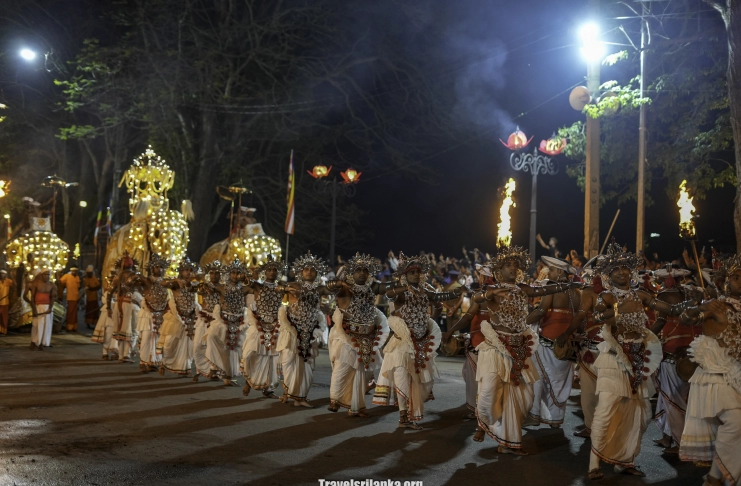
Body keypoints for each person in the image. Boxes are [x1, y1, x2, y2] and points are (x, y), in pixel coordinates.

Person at [587, 243, 696, 479]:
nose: (622, 272)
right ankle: (594, 464)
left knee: (640, 415)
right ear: (608, 274)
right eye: (616, 269)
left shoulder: (642, 295)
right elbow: (596, 316)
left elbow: (671, 310)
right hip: (614, 358)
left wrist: (693, 303)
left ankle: (626, 460)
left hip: (640, 357)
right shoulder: (605, 296)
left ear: (631, 272)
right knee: (606, 410)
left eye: (625, 268)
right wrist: (618, 310)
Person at [473, 246, 578, 454]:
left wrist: (564, 285)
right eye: (507, 265)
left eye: (515, 265)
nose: (512, 268)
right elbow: (477, 298)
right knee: (489, 391)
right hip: (496, 346)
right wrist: (492, 291)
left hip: (520, 345)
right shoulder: (491, 291)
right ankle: (483, 423)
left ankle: (508, 442)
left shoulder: (523, 288)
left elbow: (543, 291)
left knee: (524, 397)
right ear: (498, 270)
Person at [372, 252, 461, 430]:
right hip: (402, 342)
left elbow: (437, 303)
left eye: (417, 272)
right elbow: (388, 293)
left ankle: (409, 412)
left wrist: (434, 313)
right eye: (411, 272)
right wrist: (404, 289)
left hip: (422, 341)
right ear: (404, 274)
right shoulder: (400, 289)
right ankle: (404, 417)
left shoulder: (426, 288)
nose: (415, 275)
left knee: (424, 383)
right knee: (403, 377)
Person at [679, 255, 741, 486]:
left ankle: (714, 478)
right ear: (724, 281)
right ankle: (719, 477)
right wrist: (701, 306)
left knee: (734, 430)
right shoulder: (717, 306)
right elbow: (686, 318)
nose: (740, 281)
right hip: (716, 375)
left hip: (737, 373)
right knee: (736, 423)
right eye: (735, 277)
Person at [326, 253, 390, 417]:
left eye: (365, 270)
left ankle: (356, 407)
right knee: (342, 369)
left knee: (362, 374)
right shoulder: (343, 288)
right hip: (345, 336)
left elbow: (387, 288)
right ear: (351, 273)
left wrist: (405, 284)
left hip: (366, 337)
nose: (362, 273)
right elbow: (327, 287)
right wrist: (341, 281)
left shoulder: (372, 287)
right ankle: (334, 400)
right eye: (358, 270)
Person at [524, 256, 581, 429]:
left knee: (539, 377)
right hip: (566, 344)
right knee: (559, 382)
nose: (549, 272)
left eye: (552, 270)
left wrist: (523, 321)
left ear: (559, 272)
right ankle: (555, 420)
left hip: (549, 341)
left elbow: (541, 311)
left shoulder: (551, 287)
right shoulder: (576, 293)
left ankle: (535, 415)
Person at [650, 267, 699, 454]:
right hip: (688, 352)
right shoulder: (689, 294)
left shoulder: (662, 296)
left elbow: (660, 322)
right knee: (672, 398)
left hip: (671, 353)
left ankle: (681, 444)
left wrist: (644, 337)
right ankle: (667, 437)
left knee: (672, 401)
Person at [277, 252, 330, 407]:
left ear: (317, 273)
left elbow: (334, 292)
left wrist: (329, 302)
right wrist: (283, 288)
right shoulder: (293, 286)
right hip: (292, 330)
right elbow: (278, 289)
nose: (308, 271)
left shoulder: (320, 289)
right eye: (305, 269)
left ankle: (301, 397)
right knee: (288, 363)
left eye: (312, 269)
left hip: (309, 332)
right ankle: (289, 391)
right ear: (300, 272)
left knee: (307, 366)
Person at [443, 263, 496, 419]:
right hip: (492, 342)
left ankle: (478, 408)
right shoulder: (500, 292)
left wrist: (451, 331)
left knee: (474, 376)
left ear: (484, 276)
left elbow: (468, 317)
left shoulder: (482, 294)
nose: (478, 277)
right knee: (475, 373)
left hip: (479, 342)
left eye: (479, 274)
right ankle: (486, 406)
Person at [241, 255, 288, 398]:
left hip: (275, 326)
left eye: (275, 270)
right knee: (251, 353)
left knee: (272, 358)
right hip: (259, 325)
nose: (272, 272)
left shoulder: (281, 288)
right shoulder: (258, 286)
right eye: (269, 270)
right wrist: (247, 274)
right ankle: (248, 381)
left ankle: (268, 389)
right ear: (265, 272)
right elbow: (247, 281)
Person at [205, 258, 250, 386]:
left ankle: (229, 377)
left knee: (237, 350)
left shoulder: (245, 289)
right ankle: (215, 368)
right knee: (212, 338)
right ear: (228, 274)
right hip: (223, 321)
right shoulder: (221, 287)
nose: (235, 275)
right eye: (233, 273)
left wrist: (249, 279)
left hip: (239, 322)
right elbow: (206, 287)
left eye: (238, 273)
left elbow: (258, 287)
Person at [157, 257, 199, 376]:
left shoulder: (194, 284)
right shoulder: (176, 283)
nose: (188, 272)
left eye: (190, 270)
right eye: (186, 270)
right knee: (169, 344)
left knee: (188, 346)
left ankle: (184, 368)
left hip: (190, 318)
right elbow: (162, 283)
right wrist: (175, 279)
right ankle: (164, 363)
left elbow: (201, 279)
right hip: (176, 318)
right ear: (181, 271)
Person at [129, 253, 171, 373]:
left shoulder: (166, 282)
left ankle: (153, 362)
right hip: (148, 314)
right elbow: (129, 284)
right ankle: (143, 362)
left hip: (161, 313)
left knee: (157, 338)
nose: (160, 269)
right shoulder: (146, 281)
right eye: (157, 267)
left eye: (162, 267)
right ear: (152, 268)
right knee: (147, 338)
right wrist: (134, 276)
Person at [106, 252, 141, 363]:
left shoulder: (117, 278)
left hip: (118, 305)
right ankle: (126, 355)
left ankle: (121, 355)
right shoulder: (135, 277)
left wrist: (108, 308)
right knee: (132, 331)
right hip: (130, 306)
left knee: (121, 331)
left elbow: (109, 293)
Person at [193, 261, 223, 382]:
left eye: (217, 273)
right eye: (212, 273)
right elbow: (197, 289)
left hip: (217, 319)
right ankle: (199, 370)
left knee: (215, 346)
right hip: (204, 318)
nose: (214, 275)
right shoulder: (204, 286)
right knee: (198, 346)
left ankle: (215, 370)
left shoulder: (224, 288)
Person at [25, 268, 57, 350]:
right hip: (38, 306)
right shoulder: (35, 284)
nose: (47, 276)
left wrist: (50, 308)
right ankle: (36, 342)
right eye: (45, 274)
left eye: (48, 274)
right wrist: (34, 309)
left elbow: (53, 297)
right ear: (41, 275)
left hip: (47, 307)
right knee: (37, 325)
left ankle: (44, 343)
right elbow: (32, 297)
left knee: (47, 325)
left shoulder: (52, 285)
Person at [92, 270, 120, 360]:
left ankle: (114, 353)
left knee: (116, 335)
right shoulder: (107, 292)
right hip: (108, 317)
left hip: (118, 316)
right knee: (107, 335)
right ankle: (104, 353)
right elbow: (105, 301)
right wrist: (114, 304)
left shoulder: (120, 293)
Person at [59, 266, 82, 332]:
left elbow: (79, 287)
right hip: (70, 297)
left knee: (74, 313)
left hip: (76, 297)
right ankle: (69, 327)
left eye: (75, 271)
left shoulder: (77, 277)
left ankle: (74, 327)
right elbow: (60, 281)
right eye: (73, 271)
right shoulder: (67, 276)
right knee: (70, 312)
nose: (74, 272)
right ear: (71, 271)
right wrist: (59, 273)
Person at [0, 269, 15, 334]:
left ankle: (4, 331)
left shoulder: (8, 281)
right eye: (1, 273)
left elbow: (15, 285)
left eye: (3, 274)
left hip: (5, 302)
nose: (2, 275)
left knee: (4, 317)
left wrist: (12, 276)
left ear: (5, 275)